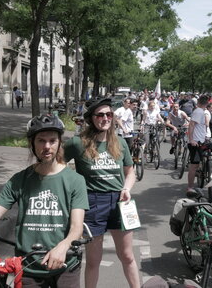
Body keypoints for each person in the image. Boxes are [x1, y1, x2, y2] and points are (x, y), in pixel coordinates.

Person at [0, 114, 89, 287]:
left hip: (65, 264)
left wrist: (62, 247)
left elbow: (77, 228)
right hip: (29, 267)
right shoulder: (19, 180)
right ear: (32, 144)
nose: (47, 146)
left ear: (59, 143)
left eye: (52, 140)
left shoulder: (75, 181)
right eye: (41, 140)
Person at [64, 98, 140, 288]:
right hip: (92, 203)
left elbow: (130, 173)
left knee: (128, 256)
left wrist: (126, 189)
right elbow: (57, 166)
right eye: (100, 115)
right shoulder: (77, 143)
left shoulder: (120, 142)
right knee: (93, 261)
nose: (105, 118)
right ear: (91, 118)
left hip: (119, 202)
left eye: (109, 114)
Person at [187, 95, 212, 194]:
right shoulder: (198, 111)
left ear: (198, 102)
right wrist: (191, 140)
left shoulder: (201, 111)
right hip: (196, 143)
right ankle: (190, 187)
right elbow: (191, 125)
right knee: (194, 166)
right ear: (207, 103)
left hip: (202, 142)